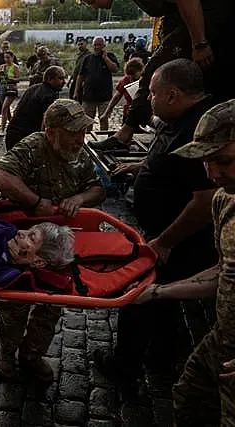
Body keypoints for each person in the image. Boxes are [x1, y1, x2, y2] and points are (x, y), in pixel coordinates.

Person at [94, 59, 218, 394]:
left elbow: (204, 202)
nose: (147, 99)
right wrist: (140, 168)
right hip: (166, 231)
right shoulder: (175, 120)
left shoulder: (201, 129)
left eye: (152, 93)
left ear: (173, 95)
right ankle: (163, 354)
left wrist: (164, 242)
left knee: (137, 295)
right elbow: (168, 161)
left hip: (179, 237)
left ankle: (124, 367)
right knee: (163, 301)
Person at [126, 99, 235, 425]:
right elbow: (225, 273)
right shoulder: (224, 198)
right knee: (188, 398)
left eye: (224, 161)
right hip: (223, 340)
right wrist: (159, 291)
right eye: (204, 162)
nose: (212, 173)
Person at [0, 99, 106, 382]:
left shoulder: (79, 153)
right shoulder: (34, 146)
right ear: (51, 130)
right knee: (15, 305)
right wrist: (35, 201)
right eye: (72, 132)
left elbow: (99, 188)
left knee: (51, 305)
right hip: (23, 242)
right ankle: (7, 355)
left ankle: (32, 355)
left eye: (82, 132)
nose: (79, 139)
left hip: (55, 244)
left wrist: (79, 198)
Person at [83, 0, 235, 152]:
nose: (87, 3)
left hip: (210, 18)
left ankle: (126, 133)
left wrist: (199, 43)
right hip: (192, 20)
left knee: (157, 74)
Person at [4, 66, 66, 151]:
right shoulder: (49, 95)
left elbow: (17, 110)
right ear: (49, 79)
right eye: (61, 78)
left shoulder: (33, 88)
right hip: (26, 138)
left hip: (12, 134)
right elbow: (46, 122)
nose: (64, 82)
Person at [75, 37, 119, 131]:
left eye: (99, 45)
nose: (97, 47)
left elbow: (115, 69)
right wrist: (76, 91)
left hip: (104, 96)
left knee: (103, 119)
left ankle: (103, 137)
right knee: (87, 121)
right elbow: (81, 76)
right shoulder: (88, 58)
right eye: (95, 45)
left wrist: (106, 59)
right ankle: (87, 139)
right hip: (88, 96)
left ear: (104, 46)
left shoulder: (110, 56)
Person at [100, 57, 144, 124]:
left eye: (134, 77)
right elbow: (116, 97)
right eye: (129, 77)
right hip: (128, 114)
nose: (131, 80)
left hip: (143, 114)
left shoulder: (146, 80)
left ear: (140, 71)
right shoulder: (125, 80)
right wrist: (106, 113)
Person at [0, 51, 21, 137]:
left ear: (12, 58)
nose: (6, 59)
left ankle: (2, 129)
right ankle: (13, 125)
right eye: (5, 57)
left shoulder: (15, 67)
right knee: (7, 110)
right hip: (2, 88)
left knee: (4, 108)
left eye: (8, 57)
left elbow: (17, 79)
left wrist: (8, 77)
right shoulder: (2, 66)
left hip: (11, 89)